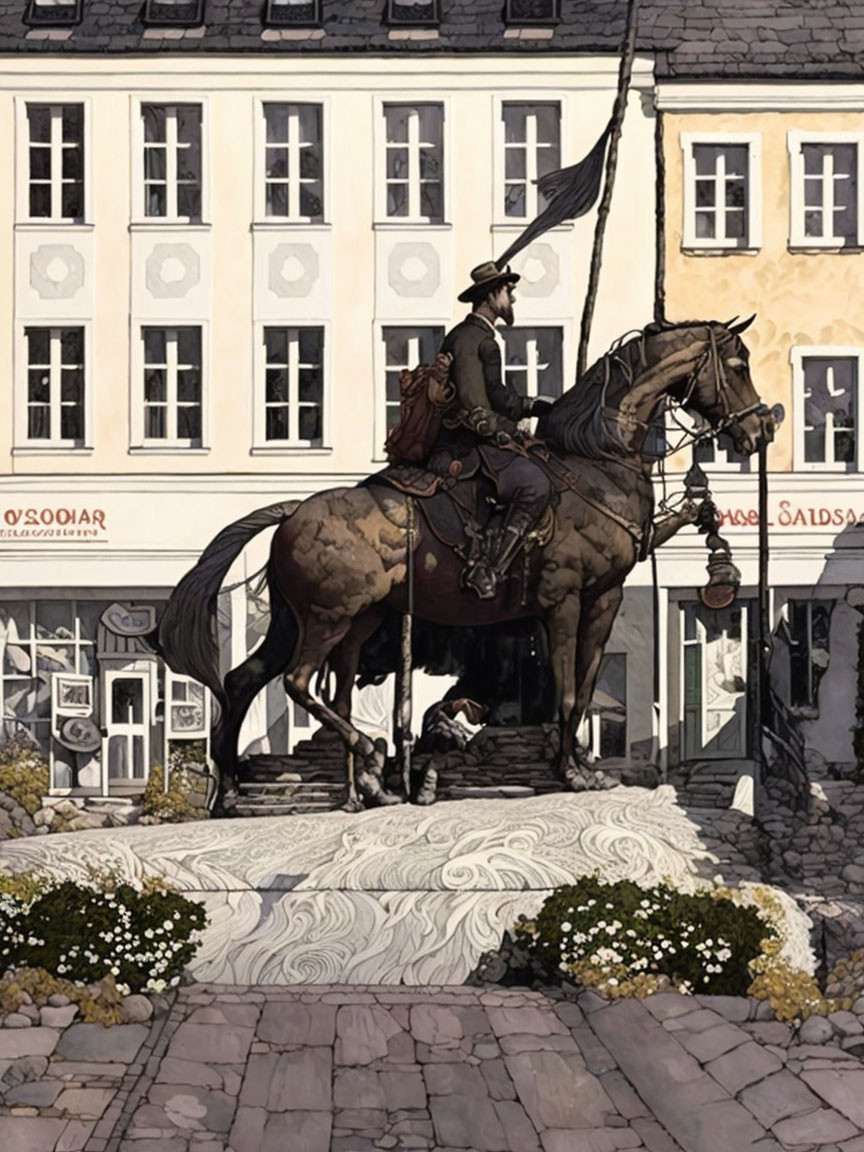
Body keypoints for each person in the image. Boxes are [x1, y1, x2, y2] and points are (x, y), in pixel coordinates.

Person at [429, 260, 554, 599]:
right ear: (491, 295)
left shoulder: (469, 335)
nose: (512, 301)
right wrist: (510, 431)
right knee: (536, 484)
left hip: (471, 438)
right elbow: (476, 407)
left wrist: (535, 405)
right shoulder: (477, 340)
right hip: (469, 445)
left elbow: (498, 395)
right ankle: (490, 569)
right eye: (508, 292)